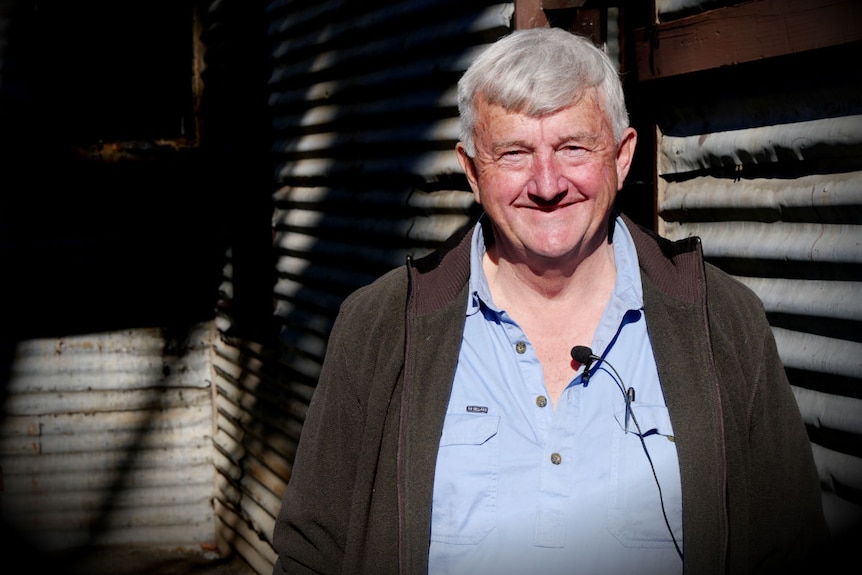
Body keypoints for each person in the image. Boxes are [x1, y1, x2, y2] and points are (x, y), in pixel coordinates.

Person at [271, 27, 828, 574]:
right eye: (513, 152)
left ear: (622, 155)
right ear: (470, 170)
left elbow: (789, 546)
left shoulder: (721, 321)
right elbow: (312, 552)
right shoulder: (381, 325)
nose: (546, 182)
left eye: (573, 147)